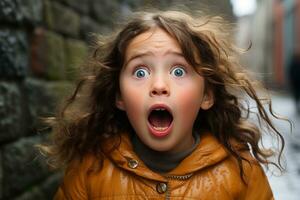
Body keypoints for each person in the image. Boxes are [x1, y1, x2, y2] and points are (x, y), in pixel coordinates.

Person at [39, 9, 286, 199]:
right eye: (140, 72)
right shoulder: (89, 170)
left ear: (206, 96)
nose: (159, 85)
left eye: (179, 71)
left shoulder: (242, 172)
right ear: (119, 97)